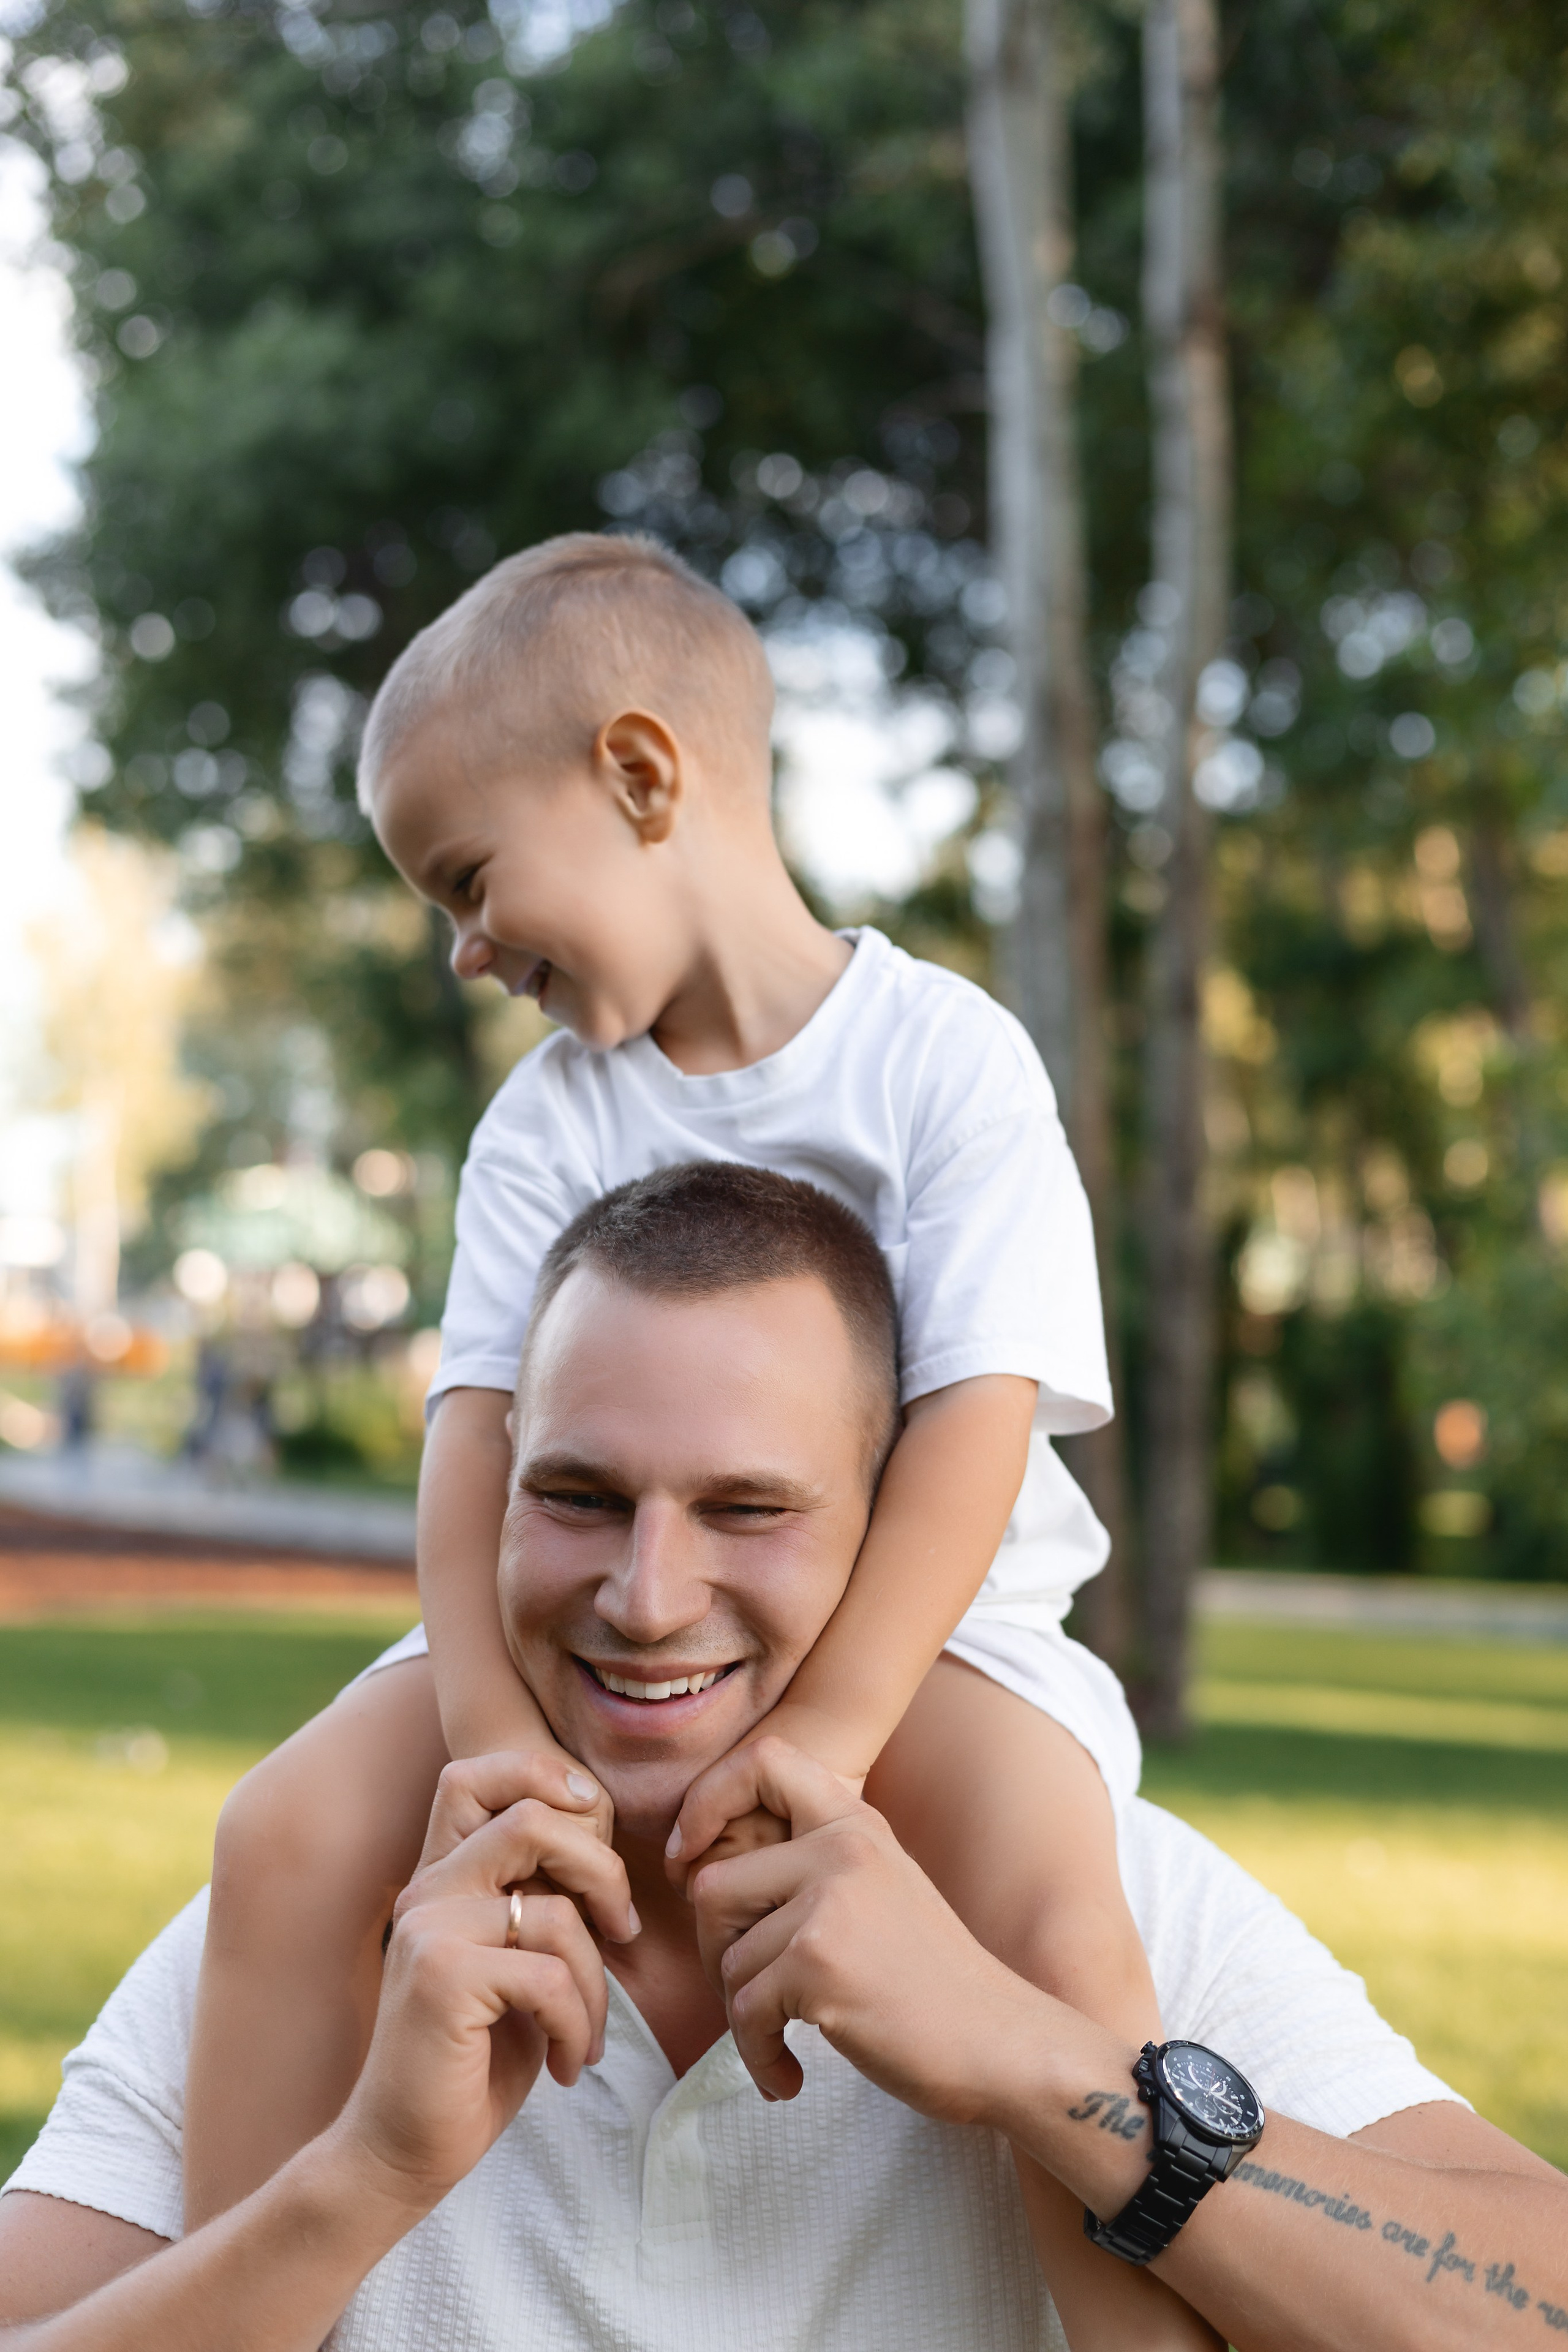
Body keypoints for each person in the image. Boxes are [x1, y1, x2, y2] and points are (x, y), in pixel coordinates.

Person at [2, 1166, 1562, 2351]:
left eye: (747, 1509)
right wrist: (352, 2185)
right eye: (579, 1497)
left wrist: (1048, 2074)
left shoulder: (1093, 1903)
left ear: (888, 1541)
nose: (646, 1596)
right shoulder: (332, 1924)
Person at [186, 529, 1183, 2342]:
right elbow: (475, 1447)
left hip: (921, 1641)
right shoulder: (550, 1122)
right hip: (562, 1632)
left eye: (472, 880)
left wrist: (831, 1736)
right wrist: (498, 1748)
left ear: (644, 776)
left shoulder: (942, 1062)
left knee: (1056, 1935)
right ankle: (250, 2294)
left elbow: (976, 1426)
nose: (471, 948)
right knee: (280, 1833)